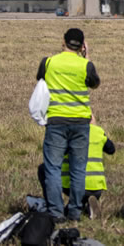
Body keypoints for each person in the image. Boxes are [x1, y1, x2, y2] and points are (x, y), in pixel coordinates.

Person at [37, 28, 100, 223]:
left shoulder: (48, 62)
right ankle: (74, 212)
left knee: (53, 168)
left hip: (56, 120)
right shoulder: (85, 65)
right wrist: (86, 57)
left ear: (63, 42)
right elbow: (95, 84)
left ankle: (56, 212)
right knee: (78, 168)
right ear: (82, 46)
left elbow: (40, 80)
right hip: (81, 122)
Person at [38, 116, 115, 220]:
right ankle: (87, 205)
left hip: (72, 187)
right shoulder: (99, 132)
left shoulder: (70, 132)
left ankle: (54, 207)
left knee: (45, 169)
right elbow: (111, 149)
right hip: (97, 187)